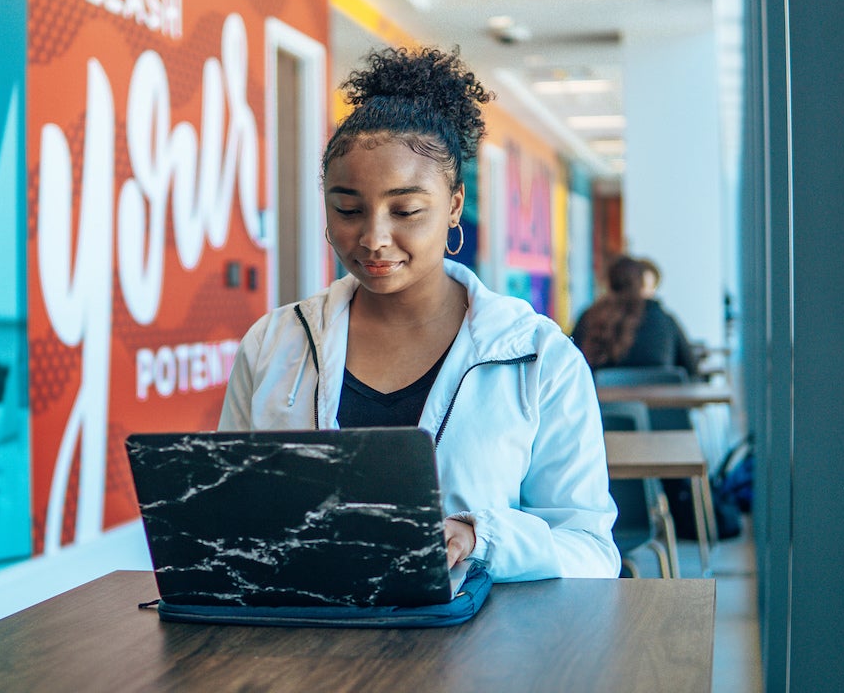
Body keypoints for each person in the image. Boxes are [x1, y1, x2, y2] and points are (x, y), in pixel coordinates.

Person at [218, 46, 620, 582]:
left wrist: (483, 539)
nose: (374, 238)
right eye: (348, 209)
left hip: (478, 656)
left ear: (454, 204)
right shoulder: (275, 342)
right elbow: (226, 517)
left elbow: (592, 552)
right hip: (305, 647)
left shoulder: (536, 355)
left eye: (406, 210)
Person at [571, 255, 699, 377]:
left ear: (608, 282)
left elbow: (571, 361)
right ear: (642, 284)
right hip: (658, 398)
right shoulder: (664, 319)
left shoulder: (589, 317)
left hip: (604, 399)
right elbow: (691, 368)